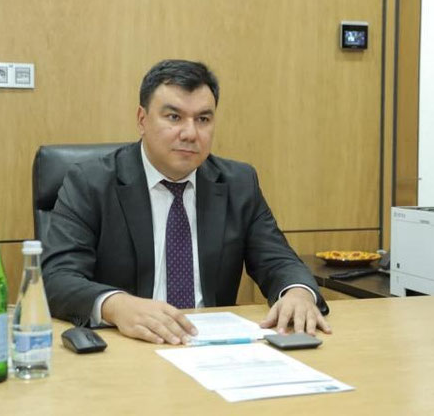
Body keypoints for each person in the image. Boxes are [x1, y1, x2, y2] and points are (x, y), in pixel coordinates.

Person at [42, 59, 331, 345]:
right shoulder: (91, 183)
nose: (190, 133)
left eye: (203, 119)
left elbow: (278, 261)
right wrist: (116, 305)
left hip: (213, 346)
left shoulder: (238, 183)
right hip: (129, 345)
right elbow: (57, 278)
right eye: (174, 117)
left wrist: (297, 293)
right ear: (142, 120)